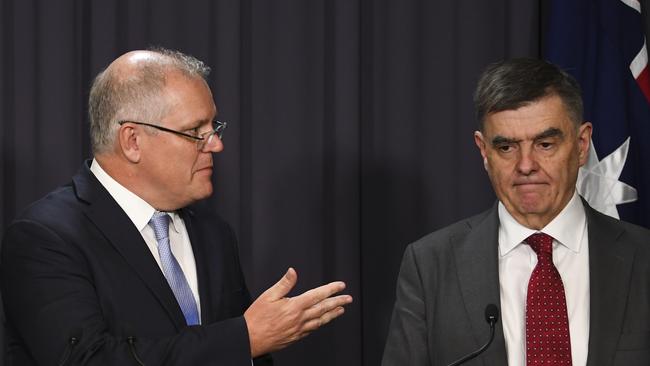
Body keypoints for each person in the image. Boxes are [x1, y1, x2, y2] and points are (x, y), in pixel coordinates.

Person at [0, 48, 353, 365]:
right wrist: (243, 339)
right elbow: (87, 359)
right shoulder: (45, 238)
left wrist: (251, 344)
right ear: (133, 141)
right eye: (195, 131)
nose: (215, 145)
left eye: (214, 127)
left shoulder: (213, 235)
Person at [382, 58, 650, 365]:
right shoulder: (430, 265)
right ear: (484, 150)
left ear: (581, 144)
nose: (525, 165)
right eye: (506, 147)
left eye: (545, 144)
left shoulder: (643, 257)